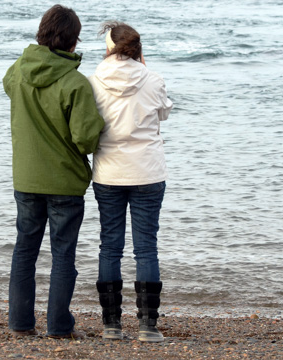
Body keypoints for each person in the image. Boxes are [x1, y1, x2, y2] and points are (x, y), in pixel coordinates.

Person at [3, 4, 105, 339]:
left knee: (24, 251)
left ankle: (20, 323)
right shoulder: (75, 83)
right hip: (64, 182)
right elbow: (87, 138)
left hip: (27, 177)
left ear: (41, 32)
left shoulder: (18, 70)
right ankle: (59, 327)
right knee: (63, 256)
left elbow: (8, 85)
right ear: (73, 42)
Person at [88, 21, 173, 342]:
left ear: (108, 48)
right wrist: (145, 70)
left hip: (108, 172)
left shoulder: (94, 81)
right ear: (138, 49)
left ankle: (111, 325)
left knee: (110, 246)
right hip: (148, 172)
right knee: (146, 249)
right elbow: (163, 114)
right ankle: (148, 327)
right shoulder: (154, 79)